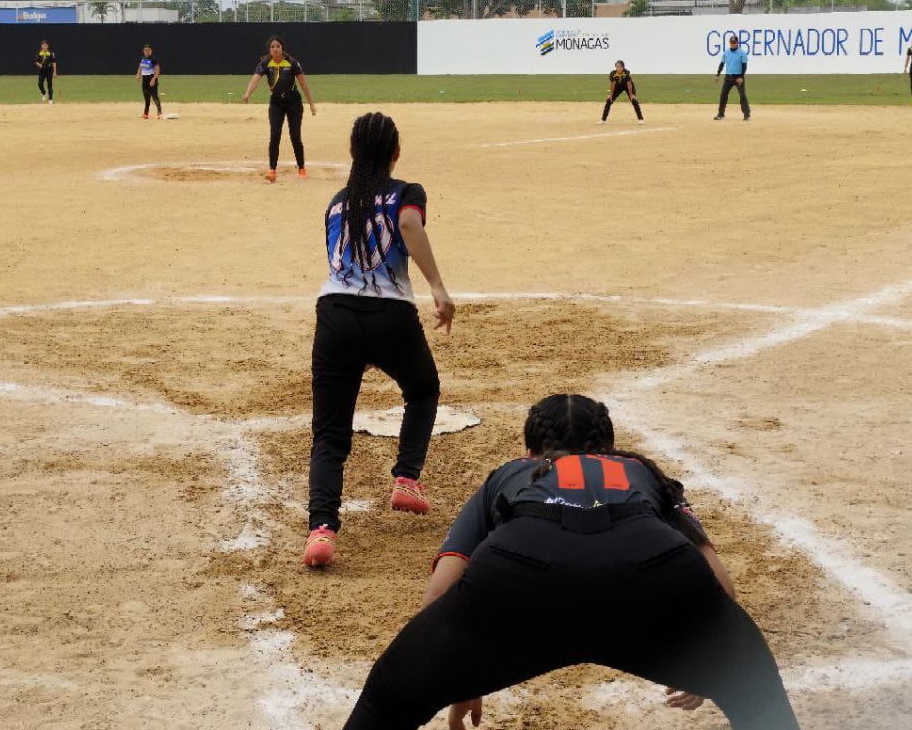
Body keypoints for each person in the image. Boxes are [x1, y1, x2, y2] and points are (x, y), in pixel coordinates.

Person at [343, 394, 799, 730]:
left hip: (522, 568)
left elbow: (442, 592)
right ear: (610, 449)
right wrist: (719, 659)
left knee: (386, 705)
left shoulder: (510, 474)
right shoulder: (643, 472)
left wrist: (454, 670)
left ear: (530, 452)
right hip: (651, 567)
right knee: (762, 706)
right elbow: (719, 583)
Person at [305, 112, 455, 568]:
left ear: (352, 153)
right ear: (395, 153)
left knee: (330, 434)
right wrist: (437, 286)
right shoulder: (406, 193)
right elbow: (408, 225)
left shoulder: (336, 201)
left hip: (335, 316)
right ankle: (406, 478)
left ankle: (322, 529)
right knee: (423, 390)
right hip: (390, 315)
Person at [242, 35, 317, 182]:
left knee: (295, 136)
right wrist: (247, 94)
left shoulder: (292, 63)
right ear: (269, 50)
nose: (275, 49)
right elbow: (255, 80)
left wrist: (311, 104)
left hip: (293, 102)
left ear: (282, 48)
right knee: (275, 136)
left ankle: (301, 168)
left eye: (278, 46)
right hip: (276, 102)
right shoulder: (265, 63)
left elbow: (303, 84)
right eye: (272, 47)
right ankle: (272, 170)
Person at [714, 34, 750, 121]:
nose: (733, 44)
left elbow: (744, 66)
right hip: (728, 77)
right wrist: (718, 74)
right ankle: (720, 114)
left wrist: (741, 77)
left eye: (734, 42)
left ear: (737, 43)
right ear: (729, 43)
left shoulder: (742, 53)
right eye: (731, 42)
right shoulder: (726, 53)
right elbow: (722, 64)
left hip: (738, 78)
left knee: (742, 95)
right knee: (723, 95)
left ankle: (746, 114)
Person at [137, 44, 163, 119]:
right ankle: (146, 114)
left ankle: (159, 113)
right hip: (144, 80)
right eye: (145, 50)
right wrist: (138, 74)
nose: (147, 51)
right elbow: (140, 66)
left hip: (151, 79)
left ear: (151, 51)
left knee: (155, 96)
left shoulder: (153, 59)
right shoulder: (142, 58)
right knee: (146, 97)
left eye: (148, 50)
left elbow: (157, 70)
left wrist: (153, 79)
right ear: (143, 51)